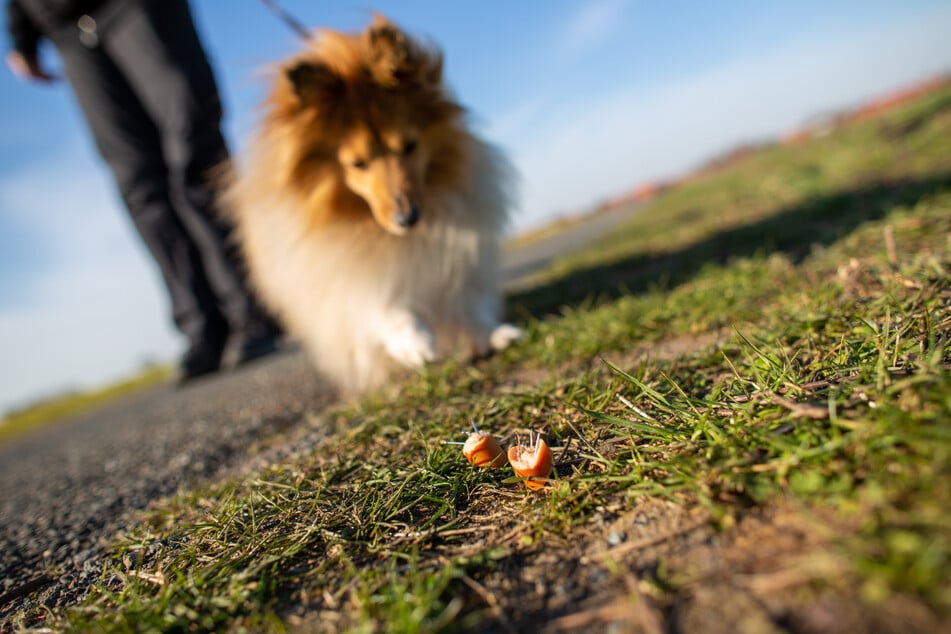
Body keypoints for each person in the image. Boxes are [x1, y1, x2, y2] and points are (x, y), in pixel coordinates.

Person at [5, 0, 280, 382]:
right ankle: (202, 327)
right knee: (137, 179)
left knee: (193, 147)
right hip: (64, 29)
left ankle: (253, 309)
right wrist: (22, 36)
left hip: (138, 8)